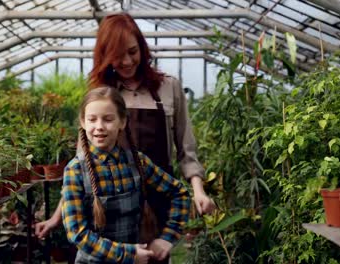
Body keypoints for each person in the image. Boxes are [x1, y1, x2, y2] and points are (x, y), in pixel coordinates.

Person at [36, 12, 216, 261]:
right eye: (118, 56)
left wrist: (198, 191)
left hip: (157, 196)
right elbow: (83, 162)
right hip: (109, 206)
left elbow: (187, 149)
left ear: (142, 48)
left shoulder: (168, 87)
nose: (127, 61)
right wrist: (57, 218)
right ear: (106, 56)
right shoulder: (103, 96)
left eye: (132, 51)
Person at [61, 86, 190, 263]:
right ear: (83, 123)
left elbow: (179, 193)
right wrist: (128, 254)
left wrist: (168, 237)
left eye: (108, 119)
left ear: (122, 122)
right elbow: (77, 233)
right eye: (92, 119)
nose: (99, 127)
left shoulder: (138, 163)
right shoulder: (75, 170)